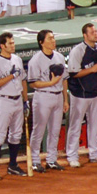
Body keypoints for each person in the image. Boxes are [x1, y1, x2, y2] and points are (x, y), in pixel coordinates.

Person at [0, 31, 29, 180]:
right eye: (10, 43)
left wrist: (25, 101)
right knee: (0, 135)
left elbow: (23, 79)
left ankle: (12, 165)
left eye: (13, 42)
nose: (13, 45)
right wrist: (11, 75)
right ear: (2, 46)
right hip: (3, 101)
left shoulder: (17, 59)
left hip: (17, 100)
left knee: (16, 135)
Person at [65, 22, 97, 166]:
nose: (95, 34)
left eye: (96, 31)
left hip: (95, 92)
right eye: (92, 32)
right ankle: (72, 156)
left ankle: (95, 153)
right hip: (80, 94)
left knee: (95, 124)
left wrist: (93, 71)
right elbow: (73, 73)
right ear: (85, 35)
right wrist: (91, 70)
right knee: (75, 125)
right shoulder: (78, 51)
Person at [26, 29, 67, 170]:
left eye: (53, 38)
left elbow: (64, 79)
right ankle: (35, 161)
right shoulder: (35, 60)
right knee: (39, 130)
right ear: (41, 42)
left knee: (55, 130)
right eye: (49, 39)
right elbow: (32, 83)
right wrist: (50, 83)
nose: (53, 41)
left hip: (58, 96)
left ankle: (51, 159)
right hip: (43, 96)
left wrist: (65, 99)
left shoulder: (60, 57)